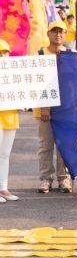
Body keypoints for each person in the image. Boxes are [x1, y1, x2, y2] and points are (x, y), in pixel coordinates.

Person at [36, 21, 71, 193]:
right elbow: (39, 82)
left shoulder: (71, 55)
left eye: (61, 32)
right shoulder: (41, 54)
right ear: (48, 34)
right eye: (54, 31)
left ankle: (64, 179)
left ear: (66, 34)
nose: (58, 35)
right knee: (46, 145)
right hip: (45, 109)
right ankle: (45, 179)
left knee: (63, 144)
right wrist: (44, 107)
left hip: (65, 109)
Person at [0, 40, 19, 202]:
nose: (2, 56)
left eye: (5, 52)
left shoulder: (14, 74)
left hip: (11, 116)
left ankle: (3, 188)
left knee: (5, 154)